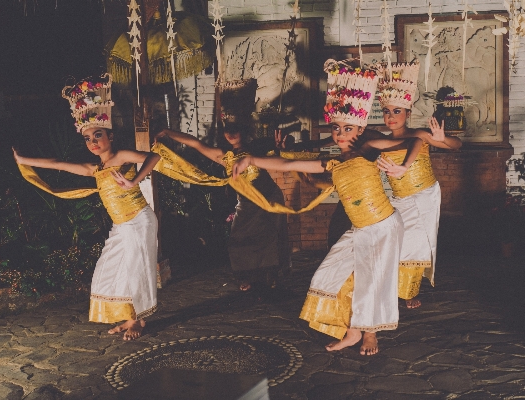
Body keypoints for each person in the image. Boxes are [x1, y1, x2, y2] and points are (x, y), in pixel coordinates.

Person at [232, 59, 410, 355]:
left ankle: (367, 334)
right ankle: (353, 329)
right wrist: (251, 159)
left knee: (372, 280)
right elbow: (287, 164)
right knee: (328, 274)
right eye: (337, 128)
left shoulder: (367, 151)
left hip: (383, 227)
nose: (340, 134)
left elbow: (415, 139)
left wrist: (403, 166)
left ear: (360, 128)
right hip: (360, 230)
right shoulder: (332, 163)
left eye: (348, 127)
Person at [13, 74, 160, 340]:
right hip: (121, 225)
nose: (93, 142)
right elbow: (58, 163)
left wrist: (133, 180)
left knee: (137, 268)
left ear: (110, 136)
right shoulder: (95, 168)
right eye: (88, 139)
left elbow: (154, 156)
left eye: (98, 135)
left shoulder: (120, 156)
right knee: (110, 268)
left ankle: (137, 321)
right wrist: (24, 160)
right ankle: (128, 318)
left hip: (139, 219)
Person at [155, 79, 290, 295]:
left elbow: (283, 155)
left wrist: (282, 147)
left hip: (268, 199)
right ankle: (246, 276)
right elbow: (196, 144)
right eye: (228, 129)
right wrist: (168, 132)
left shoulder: (257, 148)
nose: (231, 133)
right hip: (246, 203)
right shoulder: (223, 156)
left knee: (270, 237)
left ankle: (270, 276)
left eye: (236, 129)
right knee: (237, 239)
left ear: (244, 131)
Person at [371, 61, 463, 309]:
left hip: (424, 197)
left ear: (408, 113)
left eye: (397, 111)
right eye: (387, 111)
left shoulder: (421, 134)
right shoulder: (379, 140)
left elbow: (456, 146)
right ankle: (389, 286)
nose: (391, 117)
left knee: (416, 244)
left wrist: (443, 139)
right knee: (394, 242)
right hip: (399, 198)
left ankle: (408, 292)